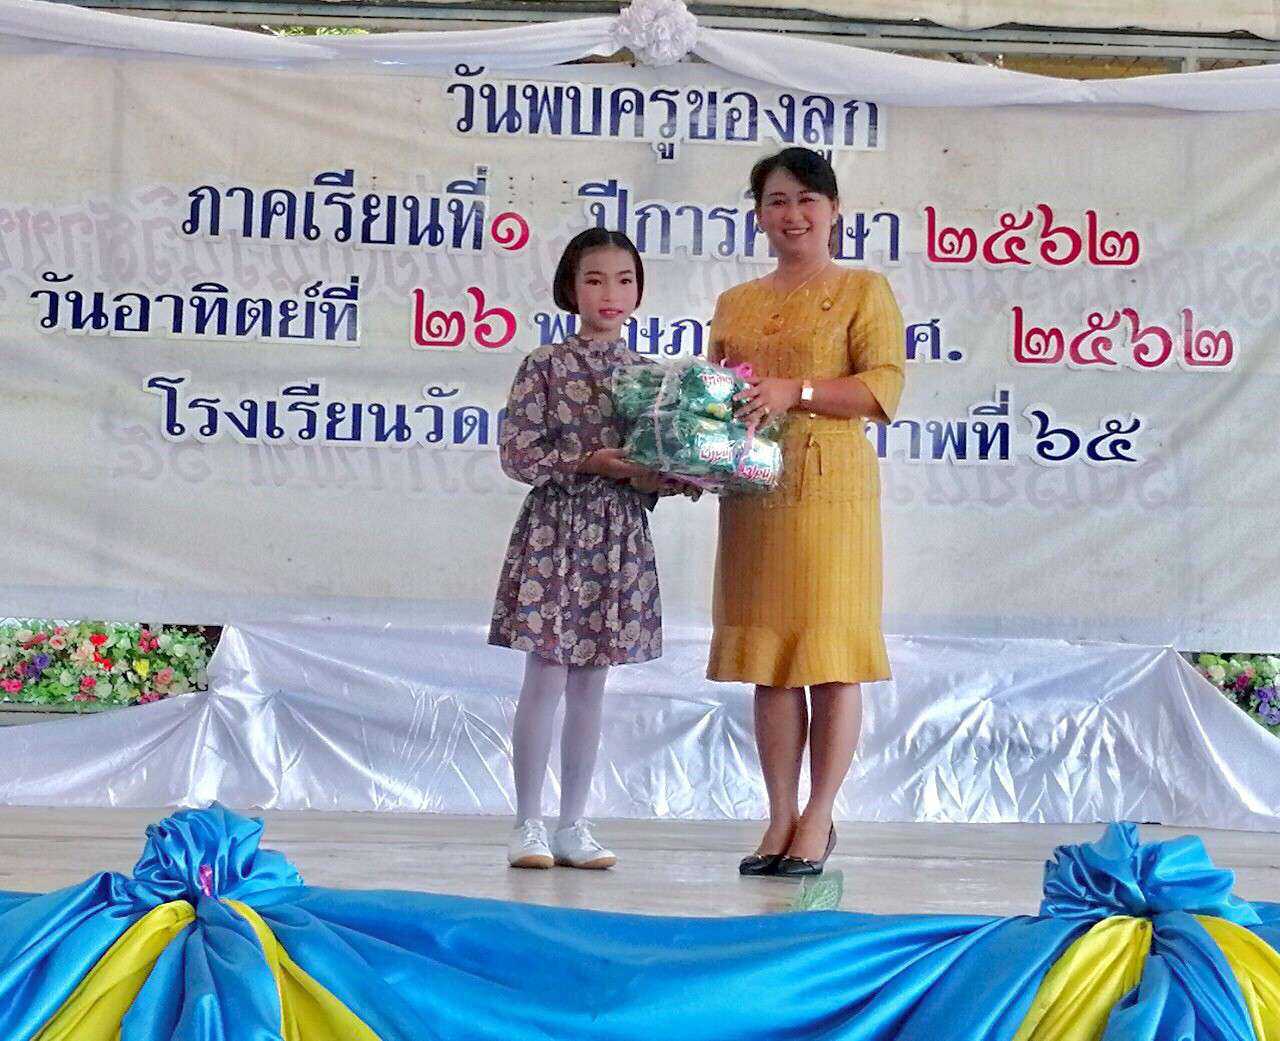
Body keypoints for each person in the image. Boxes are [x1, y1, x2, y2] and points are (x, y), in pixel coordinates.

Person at [707, 147, 906, 877]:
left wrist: (800, 391)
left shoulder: (863, 290)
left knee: (830, 657)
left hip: (831, 492)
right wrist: (693, 448)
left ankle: (819, 816)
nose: (792, 215)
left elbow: (882, 391)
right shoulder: (735, 302)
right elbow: (718, 396)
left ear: (834, 210)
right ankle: (779, 814)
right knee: (770, 662)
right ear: (758, 215)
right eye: (776, 201)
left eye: (806, 200)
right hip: (754, 492)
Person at [490, 227, 685, 870]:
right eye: (595, 279)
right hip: (557, 529)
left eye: (625, 280)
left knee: (593, 681)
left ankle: (574, 823)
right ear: (570, 289)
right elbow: (518, 455)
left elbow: (663, 466)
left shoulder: (655, 378)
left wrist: (674, 473)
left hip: (618, 534)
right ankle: (527, 823)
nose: (611, 293)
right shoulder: (544, 365)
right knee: (546, 672)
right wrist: (586, 461)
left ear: (639, 291)